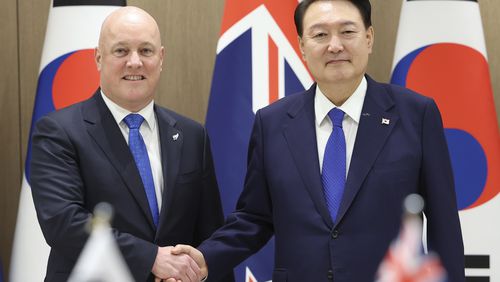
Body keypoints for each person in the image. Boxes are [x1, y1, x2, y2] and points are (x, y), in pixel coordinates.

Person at [173, 0, 465, 281]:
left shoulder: (416, 114)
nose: (334, 45)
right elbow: (255, 218)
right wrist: (205, 258)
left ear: (369, 38)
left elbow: (443, 224)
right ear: (302, 46)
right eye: (320, 34)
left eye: (347, 31)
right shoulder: (272, 123)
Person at [30, 6, 233, 282]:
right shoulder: (59, 132)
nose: (135, 62)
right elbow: (64, 223)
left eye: (146, 51)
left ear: (161, 58)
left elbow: (209, 235)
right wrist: (151, 258)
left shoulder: (192, 135)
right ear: (98, 58)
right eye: (121, 51)